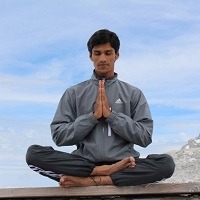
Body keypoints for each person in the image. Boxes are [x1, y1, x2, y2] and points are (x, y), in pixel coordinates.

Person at [26, 29, 175, 187]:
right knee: (33, 154)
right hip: (84, 163)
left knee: (166, 164)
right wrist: (92, 117)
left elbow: (145, 137)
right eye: (97, 53)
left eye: (108, 53)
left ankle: (95, 180)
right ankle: (99, 173)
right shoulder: (73, 93)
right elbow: (59, 136)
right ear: (90, 56)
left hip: (124, 164)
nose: (102, 58)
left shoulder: (133, 93)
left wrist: (112, 117)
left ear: (116, 55)